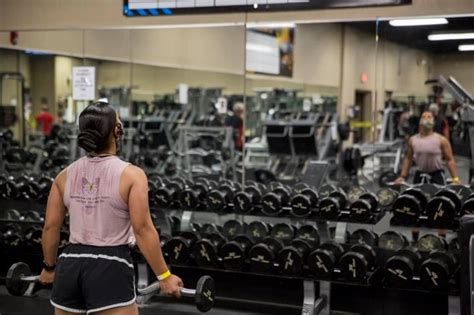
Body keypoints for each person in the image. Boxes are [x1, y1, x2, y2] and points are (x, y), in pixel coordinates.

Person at [39, 101, 183, 315]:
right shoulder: (132, 175)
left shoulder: (64, 176)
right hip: (110, 265)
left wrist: (49, 268)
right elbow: (143, 229)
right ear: (117, 131)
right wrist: (164, 276)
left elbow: (51, 227)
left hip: (70, 265)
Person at [394, 111, 461, 186]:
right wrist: (402, 176)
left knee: (439, 197)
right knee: (416, 196)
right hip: (420, 174)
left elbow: (450, 159)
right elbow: (408, 158)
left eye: (429, 117)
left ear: (433, 122)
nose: (426, 119)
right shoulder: (413, 140)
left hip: (437, 175)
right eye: (424, 117)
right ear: (420, 121)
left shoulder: (441, 140)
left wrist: (455, 178)